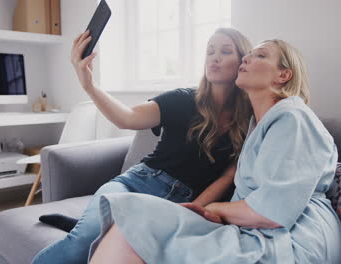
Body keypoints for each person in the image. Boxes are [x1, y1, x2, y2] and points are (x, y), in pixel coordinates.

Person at [87, 39, 341, 264]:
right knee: (135, 220)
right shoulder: (257, 125)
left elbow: (271, 212)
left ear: (283, 75)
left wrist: (215, 208)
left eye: (260, 55)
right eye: (248, 53)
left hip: (296, 240)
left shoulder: (293, 117)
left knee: (135, 219)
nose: (247, 58)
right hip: (255, 229)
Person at [31, 27, 253, 264]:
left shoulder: (248, 118)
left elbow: (229, 174)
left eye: (225, 51)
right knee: (82, 242)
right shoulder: (183, 99)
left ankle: (103, 224)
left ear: (242, 62)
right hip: (136, 184)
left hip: (177, 203)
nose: (215, 57)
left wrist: (194, 209)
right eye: (210, 51)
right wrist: (89, 85)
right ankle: (93, 226)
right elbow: (127, 117)